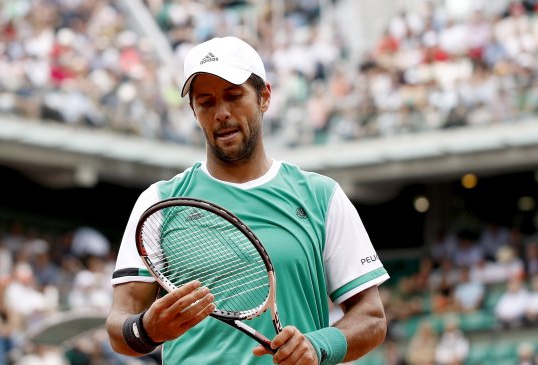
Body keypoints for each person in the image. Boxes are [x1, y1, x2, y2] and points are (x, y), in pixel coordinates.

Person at [106, 36, 389, 365]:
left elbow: (372, 318)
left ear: (264, 97)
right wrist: (146, 329)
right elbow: (118, 328)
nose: (221, 113)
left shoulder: (322, 197)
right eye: (206, 102)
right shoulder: (158, 201)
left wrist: (318, 346)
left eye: (233, 96)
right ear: (194, 111)